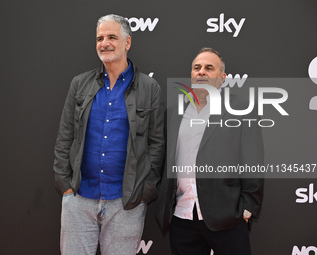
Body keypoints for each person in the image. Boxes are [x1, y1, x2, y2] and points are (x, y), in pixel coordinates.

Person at [53, 14, 164, 255]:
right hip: (79, 198)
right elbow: (65, 136)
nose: (105, 43)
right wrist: (65, 185)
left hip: (126, 204)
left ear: (127, 42)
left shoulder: (148, 88)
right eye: (100, 38)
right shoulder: (79, 84)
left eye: (112, 37)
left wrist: (145, 193)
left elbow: (156, 145)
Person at [156, 47, 264, 255]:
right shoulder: (174, 113)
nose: (201, 72)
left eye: (208, 68)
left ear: (222, 78)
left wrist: (248, 206)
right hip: (183, 217)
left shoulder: (240, 109)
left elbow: (253, 159)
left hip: (227, 217)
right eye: (197, 68)